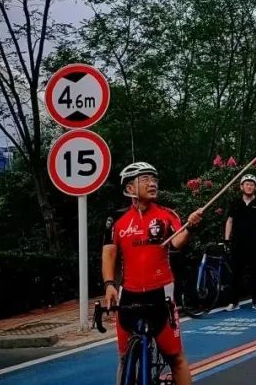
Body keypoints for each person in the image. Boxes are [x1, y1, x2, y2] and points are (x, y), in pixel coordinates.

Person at [103, 162, 203, 385]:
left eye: (154, 179)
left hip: (161, 294)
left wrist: (190, 227)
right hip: (128, 295)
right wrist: (109, 284)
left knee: (176, 358)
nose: (153, 183)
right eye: (146, 179)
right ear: (129, 188)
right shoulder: (116, 219)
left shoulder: (166, 215)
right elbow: (109, 254)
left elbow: (177, 242)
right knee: (123, 358)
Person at [223, 174, 256, 311]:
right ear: (241, 187)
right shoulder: (235, 203)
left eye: (251, 184)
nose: (249, 187)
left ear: (255, 187)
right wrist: (226, 239)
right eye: (247, 184)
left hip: (254, 241)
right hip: (237, 241)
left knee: (255, 271)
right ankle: (233, 302)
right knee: (235, 272)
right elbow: (229, 221)